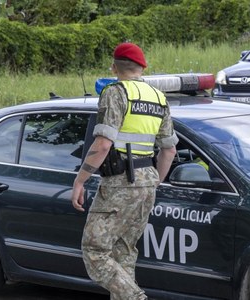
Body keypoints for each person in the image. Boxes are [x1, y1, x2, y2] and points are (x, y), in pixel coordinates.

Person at [71, 42, 178, 300]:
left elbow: (103, 143)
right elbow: (169, 150)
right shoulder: (158, 98)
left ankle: (136, 297)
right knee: (125, 253)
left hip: (120, 182)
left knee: (95, 251)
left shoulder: (115, 93)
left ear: (113, 66)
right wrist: (153, 183)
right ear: (143, 67)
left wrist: (80, 180)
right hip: (146, 184)